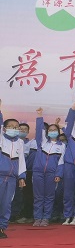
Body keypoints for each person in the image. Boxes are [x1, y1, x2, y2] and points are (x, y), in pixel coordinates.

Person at [32, 109, 65, 227]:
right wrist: (39, 115)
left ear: (58, 132)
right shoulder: (42, 142)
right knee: (38, 196)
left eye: (54, 130)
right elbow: (39, 129)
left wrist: (58, 174)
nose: (52, 132)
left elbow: (61, 162)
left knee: (49, 197)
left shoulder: (62, 146)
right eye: (50, 130)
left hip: (52, 174)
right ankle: (37, 218)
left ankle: (46, 218)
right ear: (47, 132)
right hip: (38, 172)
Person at [0, 102, 26, 239]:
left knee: (6, 204)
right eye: (11, 126)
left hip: (11, 179)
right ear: (4, 129)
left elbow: (21, 160)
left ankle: (1, 227)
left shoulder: (20, 142)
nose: (14, 129)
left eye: (16, 127)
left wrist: (21, 176)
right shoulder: (1, 138)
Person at [11, 123, 36, 224]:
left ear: (28, 132)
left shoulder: (31, 143)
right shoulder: (11, 142)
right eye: (20, 129)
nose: (23, 130)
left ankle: (22, 214)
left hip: (26, 173)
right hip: (11, 172)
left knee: (25, 195)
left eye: (25, 129)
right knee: (10, 194)